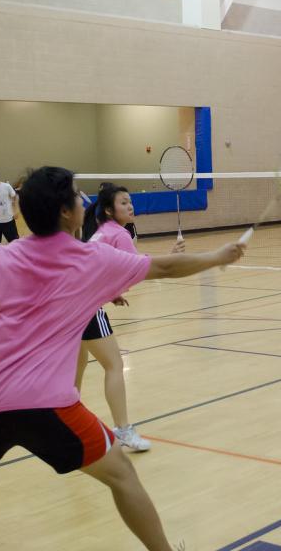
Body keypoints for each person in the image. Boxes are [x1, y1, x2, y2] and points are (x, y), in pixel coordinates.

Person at [0, 166, 245, 551]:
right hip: (49, 406)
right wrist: (218, 255)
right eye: (76, 196)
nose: (83, 201)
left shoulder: (0, 259)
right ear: (65, 213)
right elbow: (167, 267)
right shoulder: (93, 259)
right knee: (121, 473)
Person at [75, 184, 184, 454]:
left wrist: (111, 293)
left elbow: (100, 270)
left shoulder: (101, 232)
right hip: (86, 307)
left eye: (130, 201)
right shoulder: (120, 234)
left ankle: (66, 425)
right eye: (124, 203)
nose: (130, 206)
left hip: (69, 305)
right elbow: (140, 271)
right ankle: (123, 429)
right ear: (110, 210)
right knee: (114, 364)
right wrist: (171, 258)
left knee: (74, 369)